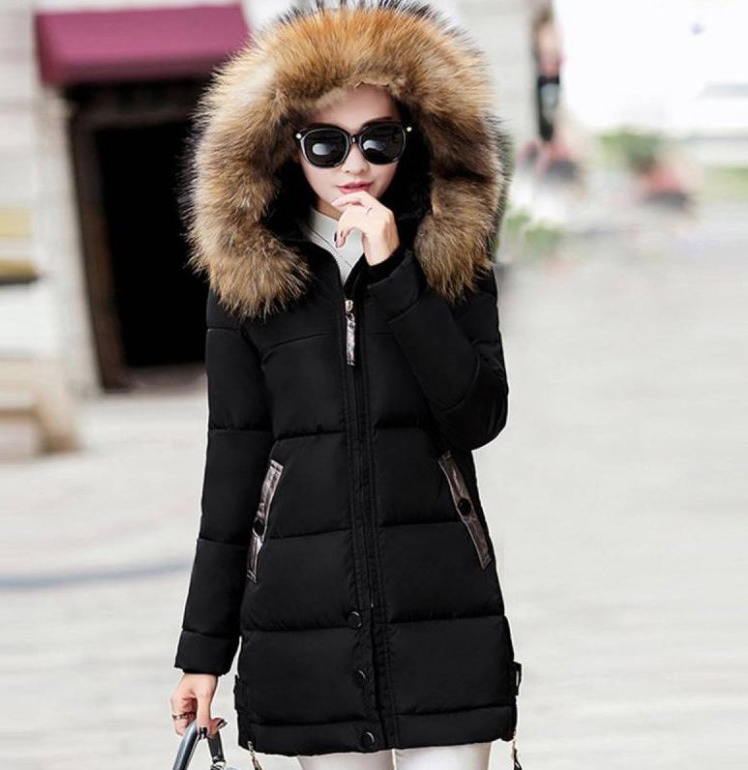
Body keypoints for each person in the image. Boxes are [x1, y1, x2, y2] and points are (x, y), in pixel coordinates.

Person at [169, 1, 523, 768]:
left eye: (379, 139)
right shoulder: (249, 281)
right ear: (286, 145)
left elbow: (477, 415)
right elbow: (232, 467)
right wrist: (202, 653)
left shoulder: (452, 259)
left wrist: (395, 272)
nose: (354, 165)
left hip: (442, 617)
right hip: (304, 630)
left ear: (412, 137)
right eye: (326, 143)